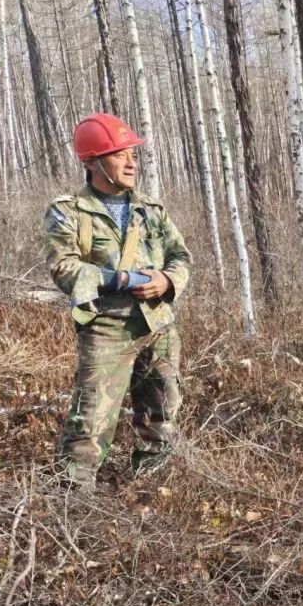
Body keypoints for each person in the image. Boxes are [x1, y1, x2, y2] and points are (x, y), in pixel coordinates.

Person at [45, 113, 193, 488]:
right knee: (91, 420)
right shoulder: (68, 211)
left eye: (133, 154)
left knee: (161, 413)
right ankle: (74, 505)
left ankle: (153, 491)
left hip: (158, 323)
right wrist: (120, 279)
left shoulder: (151, 210)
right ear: (92, 161)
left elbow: (181, 257)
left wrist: (165, 280)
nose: (131, 163)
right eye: (119, 154)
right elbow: (63, 268)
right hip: (107, 327)